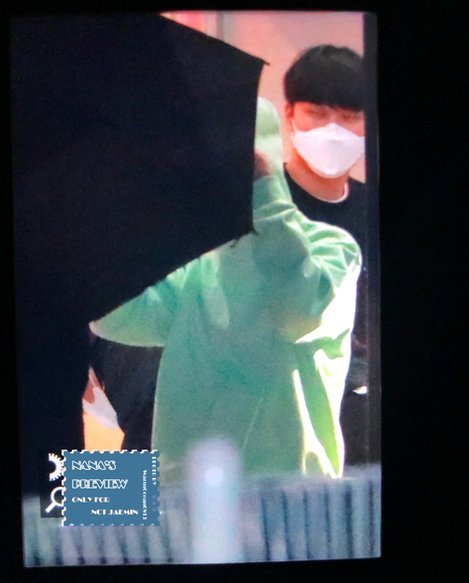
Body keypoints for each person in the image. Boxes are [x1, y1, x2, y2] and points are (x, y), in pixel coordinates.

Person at [90, 98, 361, 484]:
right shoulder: (193, 264)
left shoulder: (330, 248)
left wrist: (259, 190)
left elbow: (296, 306)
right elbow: (117, 315)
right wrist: (124, 211)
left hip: (287, 493)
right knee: (80, 488)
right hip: (184, 490)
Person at [282, 45, 374, 465]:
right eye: (317, 113)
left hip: (354, 408)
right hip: (273, 399)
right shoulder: (261, 205)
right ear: (289, 114)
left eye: (350, 116)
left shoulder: (373, 210)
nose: (333, 131)